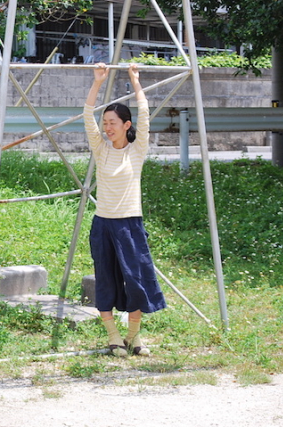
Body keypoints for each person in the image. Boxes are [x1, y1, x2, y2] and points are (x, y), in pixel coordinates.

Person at [83, 63, 166, 356]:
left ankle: (134, 336)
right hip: (104, 224)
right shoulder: (100, 148)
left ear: (126, 126)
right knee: (105, 280)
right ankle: (113, 337)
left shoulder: (137, 149)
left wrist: (135, 81)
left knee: (136, 280)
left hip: (130, 225)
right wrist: (97, 82)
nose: (107, 127)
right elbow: (86, 115)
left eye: (112, 123)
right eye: (105, 122)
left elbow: (144, 114)